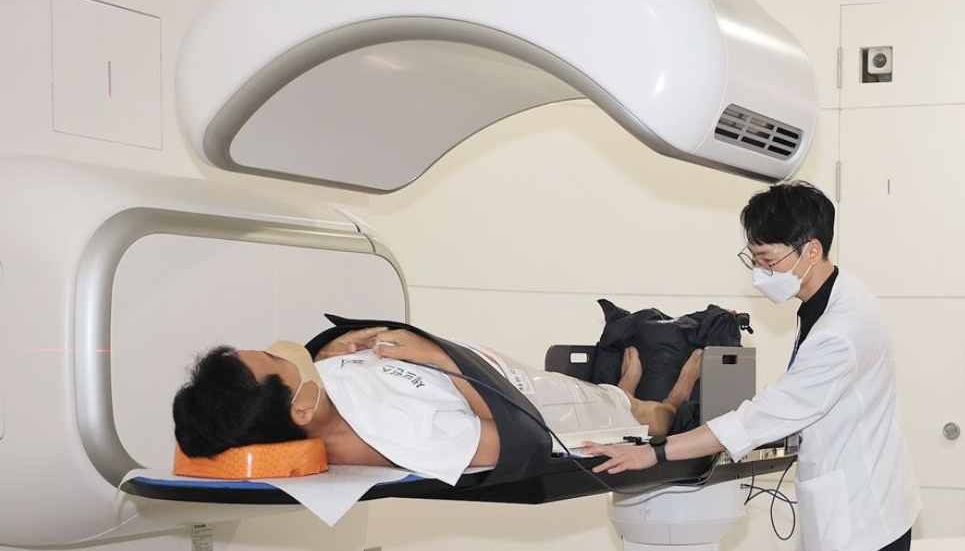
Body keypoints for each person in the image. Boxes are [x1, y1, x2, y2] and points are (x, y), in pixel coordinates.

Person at [584, 181, 921, 551]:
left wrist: (653, 452)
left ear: (812, 250)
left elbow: (758, 418)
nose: (760, 273)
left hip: (862, 520)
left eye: (768, 261)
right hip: (872, 494)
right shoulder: (838, 293)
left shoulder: (839, 331)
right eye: (753, 260)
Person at [172, 326, 702, 486]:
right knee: (641, 415)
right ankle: (672, 395)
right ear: (301, 410)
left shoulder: (317, 386)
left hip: (516, 373)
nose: (288, 351)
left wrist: (343, 344)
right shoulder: (404, 439)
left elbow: (321, 367)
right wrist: (440, 358)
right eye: (276, 359)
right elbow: (521, 437)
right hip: (550, 411)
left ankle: (624, 387)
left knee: (577, 385)